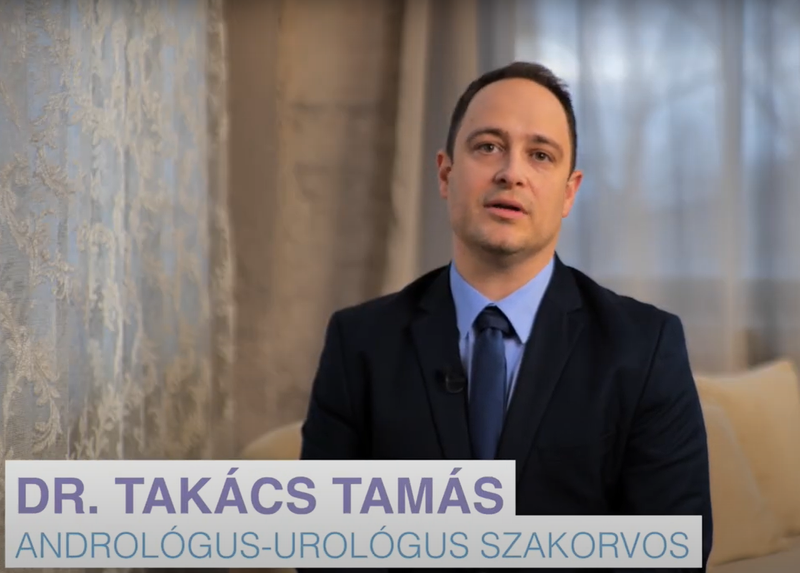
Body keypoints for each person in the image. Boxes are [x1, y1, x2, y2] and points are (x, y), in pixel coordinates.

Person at [300, 61, 713, 571]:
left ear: (569, 192)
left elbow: (673, 551)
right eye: (488, 146)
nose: (511, 173)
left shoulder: (645, 346)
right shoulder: (359, 342)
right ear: (446, 174)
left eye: (540, 155)